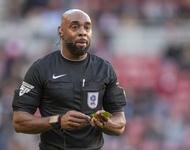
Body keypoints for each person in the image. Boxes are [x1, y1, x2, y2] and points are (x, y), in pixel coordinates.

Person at [12, 9, 127, 150]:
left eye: (87, 27)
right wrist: (58, 120)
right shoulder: (41, 68)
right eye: (75, 27)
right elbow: (19, 121)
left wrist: (104, 123)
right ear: (60, 32)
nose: (82, 32)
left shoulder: (105, 69)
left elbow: (120, 124)